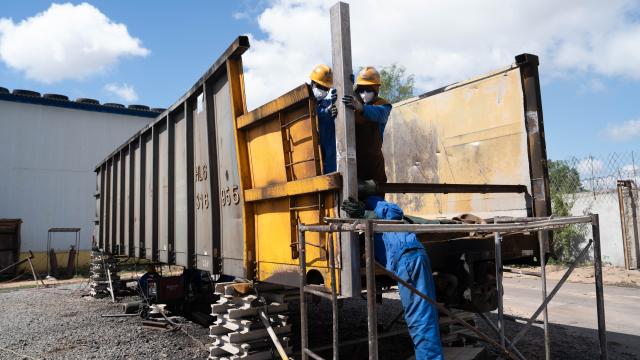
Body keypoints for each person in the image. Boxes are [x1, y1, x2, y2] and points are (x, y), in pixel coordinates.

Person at [342, 197, 444, 360]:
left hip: (408, 259)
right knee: (422, 318)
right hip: (408, 260)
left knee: (420, 320)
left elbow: (395, 211)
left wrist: (365, 213)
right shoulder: (368, 225)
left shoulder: (373, 202)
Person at [342, 66, 392, 185]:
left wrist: (361, 107)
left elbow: (378, 114)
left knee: (375, 201)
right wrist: (347, 88)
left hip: (374, 171)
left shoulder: (384, 106)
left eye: (368, 90)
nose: (364, 94)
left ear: (376, 89)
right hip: (354, 170)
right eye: (361, 90)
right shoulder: (352, 106)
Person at [309, 64, 338, 174]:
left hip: (331, 164)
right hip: (312, 164)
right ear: (313, 84)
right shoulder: (303, 105)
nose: (323, 91)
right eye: (320, 87)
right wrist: (325, 113)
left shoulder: (328, 103)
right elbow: (310, 114)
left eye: (326, 88)